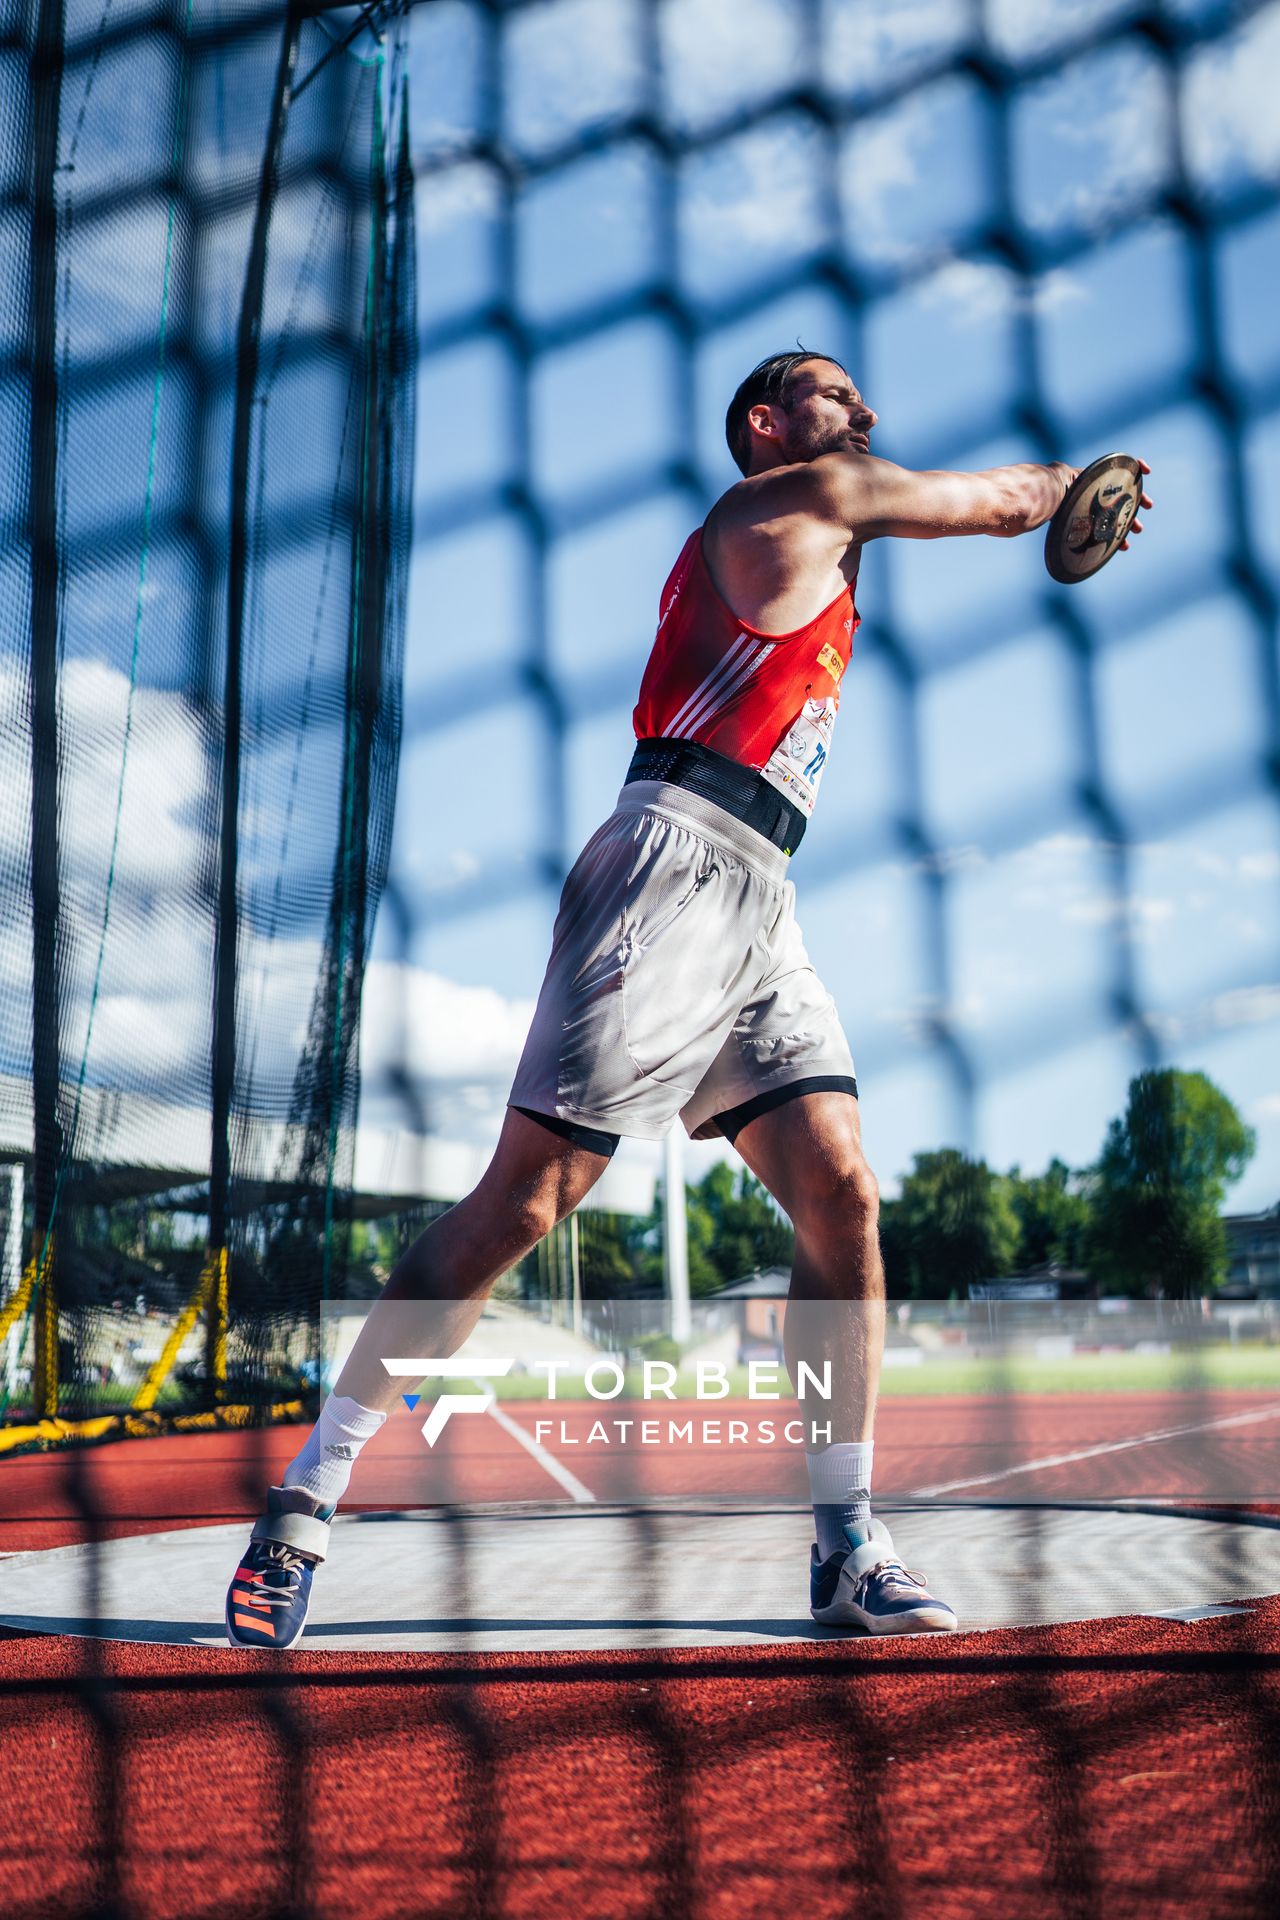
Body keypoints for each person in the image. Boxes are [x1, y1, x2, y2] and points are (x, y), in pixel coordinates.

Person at [224, 350, 1150, 1650]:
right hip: (669, 867)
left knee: (844, 1194)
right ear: (768, 425)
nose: (864, 410)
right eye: (835, 394)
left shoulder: (819, 541)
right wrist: (1067, 485)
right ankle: (304, 1503)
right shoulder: (801, 497)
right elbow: (984, 503)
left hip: (763, 894)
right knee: (525, 1204)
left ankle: (845, 1547)